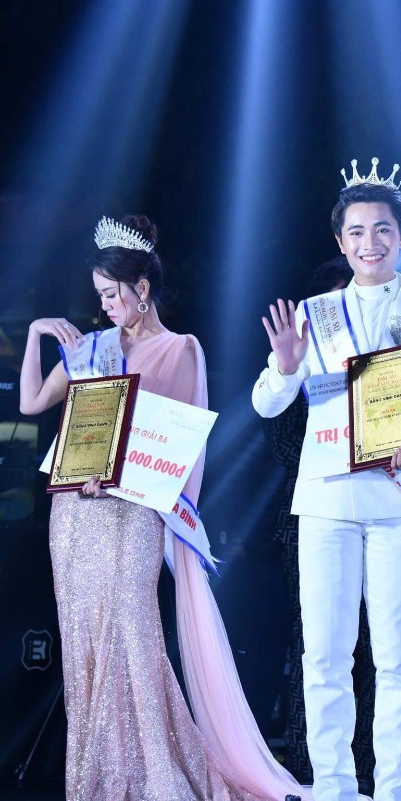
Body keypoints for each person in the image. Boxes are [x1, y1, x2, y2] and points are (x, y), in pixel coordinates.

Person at [20, 215, 302, 800]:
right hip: (75, 514)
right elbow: (30, 404)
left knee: (133, 632)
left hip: (132, 513)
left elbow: (173, 445)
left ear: (141, 288)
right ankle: (98, 777)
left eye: (111, 294)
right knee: (83, 638)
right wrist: (35, 334)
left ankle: (153, 774)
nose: (105, 306)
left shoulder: (180, 350)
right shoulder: (89, 348)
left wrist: (116, 477)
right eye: (100, 296)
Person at [252, 159, 401, 801]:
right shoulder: (312, 315)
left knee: (398, 658)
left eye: (382, 230)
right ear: (340, 242)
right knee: (324, 656)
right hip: (327, 501)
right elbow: (265, 403)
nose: (370, 243)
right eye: (357, 232)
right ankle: (336, 789)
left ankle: (395, 790)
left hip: (400, 501)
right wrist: (285, 366)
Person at [261, 256, 378, 791]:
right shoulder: (299, 360)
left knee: (375, 649)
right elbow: (281, 440)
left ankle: (366, 771)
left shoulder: (379, 361)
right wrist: (340, 447)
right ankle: (313, 773)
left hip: (380, 507)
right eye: (335, 303)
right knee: (319, 648)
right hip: (310, 517)